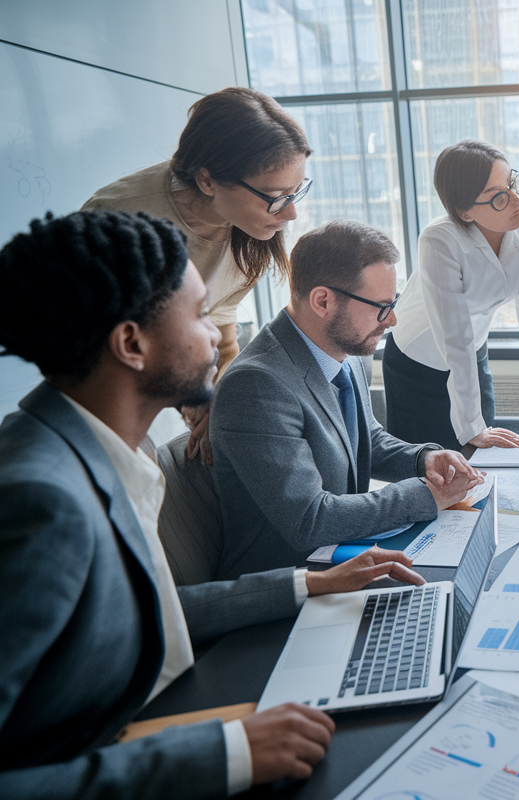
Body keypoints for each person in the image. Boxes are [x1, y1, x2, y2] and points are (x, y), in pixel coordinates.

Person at [0, 210, 429, 798]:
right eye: (201, 316)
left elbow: (158, 615)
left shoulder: (108, 450)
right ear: (132, 343)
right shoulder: (39, 500)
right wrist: (219, 752)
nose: (218, 337)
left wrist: (309, 584)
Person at [210, 219, 481, 579]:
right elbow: (311, 519)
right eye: (381, 306)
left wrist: (423, 459)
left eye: (394, 302)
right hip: (289, 584)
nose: (392, 319)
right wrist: (427, 496)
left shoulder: (347, 354)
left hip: (347, 556)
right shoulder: (257, 385)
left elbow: (364, 438)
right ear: (323, 301)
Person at [84, 87, 313, 465]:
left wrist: (213, 400)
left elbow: (222, 323)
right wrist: (194, 397)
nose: (290, 215)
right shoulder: (117, 223)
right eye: (276, 197)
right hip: (109, 390)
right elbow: (98, 345)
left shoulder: (252, 227)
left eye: (295, 192)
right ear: (207, 181)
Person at [383, 140, 519, 451]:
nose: (516, 199)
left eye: (512, 183)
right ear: (465, 212)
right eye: (499, 198)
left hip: (473, 352)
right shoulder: (438, 241)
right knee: (432, 471)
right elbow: (454, 336)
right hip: (418, 363)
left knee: (483, 458)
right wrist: (470, 426)